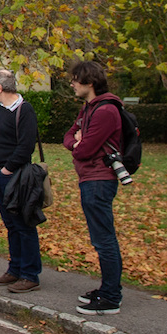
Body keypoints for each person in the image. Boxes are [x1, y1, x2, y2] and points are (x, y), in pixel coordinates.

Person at [63, 60, 125, 315]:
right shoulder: (88, 108)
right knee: (100, 238)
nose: (72, 84)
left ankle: (111, 296)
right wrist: (76, 142)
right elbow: (68, 136)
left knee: (104, 239)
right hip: (89, 178)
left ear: (89, 82)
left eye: (76, 79)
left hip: (99, 181)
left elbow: (85, 150)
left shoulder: (106, 111)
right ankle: (107, 289)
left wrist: (79, 144)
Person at [0, 70, 43, 293]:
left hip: (16, 177)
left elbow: (25, 146)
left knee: (24, 224)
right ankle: (15, 268)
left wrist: (8, 168)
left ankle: (30, 274)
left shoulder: (24, 110)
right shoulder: (0, 110)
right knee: (11, 225)